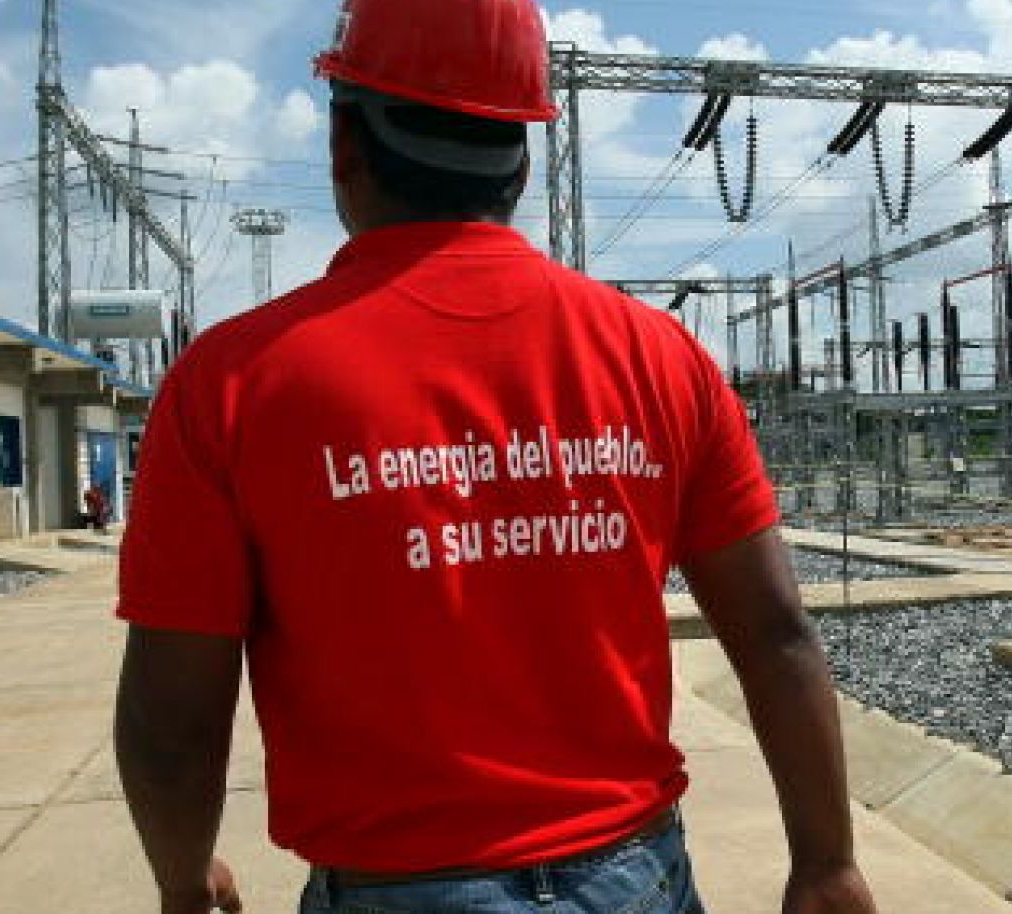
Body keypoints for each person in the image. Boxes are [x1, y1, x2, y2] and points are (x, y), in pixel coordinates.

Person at [112, 1, 879, 912]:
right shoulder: (658, 357)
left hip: (394, 890)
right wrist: (827, 860)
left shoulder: (233, 381)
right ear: (520, 160)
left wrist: (183, 880)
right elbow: (775, 630)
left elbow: (175, 714)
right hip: (634, 881)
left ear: (343, 148)